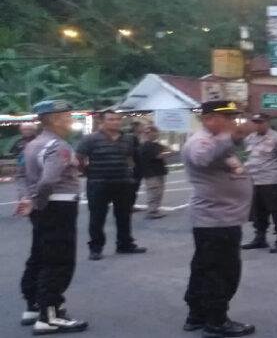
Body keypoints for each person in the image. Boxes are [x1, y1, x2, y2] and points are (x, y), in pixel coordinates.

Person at [181, 100, 255, 338]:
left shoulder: (217, 140)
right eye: (228, 117)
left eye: (233, 117)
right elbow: (202, 157)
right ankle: (216, 321)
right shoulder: (201, 141)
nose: (233, 122)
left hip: (222, 217)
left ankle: (197, 315)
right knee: (221, 272)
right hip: (216, 219)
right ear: (209, 119)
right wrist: (231, 137)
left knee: (205, 268)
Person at [15, 100, 88, 335]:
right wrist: (38, 201)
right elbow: (48, 180)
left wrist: (28, 199)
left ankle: (34, 306)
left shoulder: (32, 145)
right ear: (55, 119)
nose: (71, 121)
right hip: (58, 207)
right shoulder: (58, 146)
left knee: (40, 256)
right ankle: (50, 316)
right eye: (68, 116)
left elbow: (21, 176)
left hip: (42, 208)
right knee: (59, 261)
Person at [76, 110, 146, 261]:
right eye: (111, 119)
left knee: (124, 216)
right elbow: (79, 158)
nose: (115, 122)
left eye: (117, 119)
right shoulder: (90, 139)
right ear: (102, 122)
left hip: (123, 183)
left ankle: (125, 244)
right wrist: (87, 172)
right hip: (98, 184)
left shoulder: (128, 139)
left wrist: (132, 176)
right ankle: (96, 248)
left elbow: (133, 158)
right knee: (97, 217)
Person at [242, 113, 277, 253]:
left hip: (272, 181)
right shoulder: (250, 138)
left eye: (260, 122)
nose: (257, 125)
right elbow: (249, 157)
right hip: (254, 181)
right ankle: (260, 238)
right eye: (255, 122)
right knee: (257, 211)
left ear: (267, 122)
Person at [138, 125, 169, 219]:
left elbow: (167, 150)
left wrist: (166, 151)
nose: (155, 134)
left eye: (156, 132)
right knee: (154, 192)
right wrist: (166, 153)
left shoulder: (155, 144)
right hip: (151, 173)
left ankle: (155, 210)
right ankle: (152, 211)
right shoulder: (146, 145)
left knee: (158, 192)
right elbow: (159, 156)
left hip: (158, 172)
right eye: (152, 132)